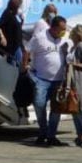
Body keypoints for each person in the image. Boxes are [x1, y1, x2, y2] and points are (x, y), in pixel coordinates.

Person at [24, 15, 69, 146]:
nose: (63, 31)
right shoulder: (39, 37)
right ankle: (43, 131)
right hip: (41, 79)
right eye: (61, 29)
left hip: (59, 80)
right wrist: (24, 66)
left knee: (56, 109)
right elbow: (27, 50)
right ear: (53, 28)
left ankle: (51, 135)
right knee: (39, 104)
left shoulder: (64, 39)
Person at [0, 0, 29, 123]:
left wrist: (22, 21)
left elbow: (16, 30)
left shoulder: (14, 15)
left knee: (20, 70)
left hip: (17, 47)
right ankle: (16, 99)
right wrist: (2, 37)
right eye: (19, 6)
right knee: (16, 72)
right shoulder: (7, 14)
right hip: (12, 48)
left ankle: (20, 100)